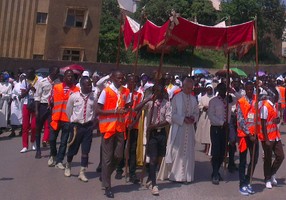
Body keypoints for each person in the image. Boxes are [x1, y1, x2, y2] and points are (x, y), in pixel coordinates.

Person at [97, 70, 131, 198]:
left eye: (122, 78)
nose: (121, 80)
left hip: (120, 128)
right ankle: (107, 186)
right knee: (107, 158)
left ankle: (105, 175)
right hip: (107, 129)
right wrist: (114, 111)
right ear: (112, 78)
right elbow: (98, 110)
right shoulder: (106, 91)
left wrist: (127, 109)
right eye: (118, 78)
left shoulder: (126, 91)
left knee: (118, 156)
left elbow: (127, 106)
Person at [159, 77, 199, 183]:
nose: (189, 90)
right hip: (178, 128)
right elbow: (172, 114)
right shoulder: (176, 98)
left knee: (188, 152)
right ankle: (175, 175)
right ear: (183, 87)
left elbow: (196, 112)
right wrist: (182, 119)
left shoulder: (193, 99)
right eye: (187, 88)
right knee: (176, 152)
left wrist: (193, 118)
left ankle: (186, 176)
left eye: (191, 88)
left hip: (189, 129)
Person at [135, 82, 171, 195]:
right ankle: (154, 185)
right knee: (153, 158)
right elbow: (137, 108)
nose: (157, 93)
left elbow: (168, 120)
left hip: (161, 134)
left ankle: (150, 179)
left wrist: (155, 125)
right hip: (152, 135)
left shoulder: (167, 104)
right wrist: (147, 99)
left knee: (158, 158)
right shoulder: (150, 103)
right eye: (155, 91)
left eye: (159, 91)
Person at [64, 76, 96, 182]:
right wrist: (73, 122)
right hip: (76, 127)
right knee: (73, 148)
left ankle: (82, 172)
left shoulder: (93, 97)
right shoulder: (74, 96)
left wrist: (92, 122)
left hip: (88, 127)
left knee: (85, 150)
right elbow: (68, 110)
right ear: (81, 85)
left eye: (90, 84)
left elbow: (95, 110)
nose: (90, 86)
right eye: (87, 84)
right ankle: (68, 165)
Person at [48, 69, 80, 169]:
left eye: (72, 76)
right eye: (68, 76)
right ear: (64, 77)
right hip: (56, 118)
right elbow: (51, 101)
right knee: (52, 139)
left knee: (63, 142)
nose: (70, 78)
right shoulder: (56, 87)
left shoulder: (76, 90)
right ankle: (53, 155)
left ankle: (59, 161)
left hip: (67, 119)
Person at [115, 75, 143, 183]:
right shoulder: (123, 93)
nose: (133, 84)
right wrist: (127, 106)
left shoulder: (139, 95)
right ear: (128, 82)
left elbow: (140, 110)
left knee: (132, 149)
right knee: (121, 148)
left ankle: (132, 173)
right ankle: (119, 169)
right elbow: (119, 107)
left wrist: (135, 122)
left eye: (135, 82)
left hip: (133, 125)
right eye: (131, 82)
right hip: (122, 124)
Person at [208, 82, 237, 185]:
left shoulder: (229, 100)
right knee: (216, 152)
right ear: (218, 90)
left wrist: (232, 91)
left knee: (223, 152)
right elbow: (211, 115)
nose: (223, 91)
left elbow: (238, 98)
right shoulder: (213, 101)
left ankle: (216, 170)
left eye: (225, 89)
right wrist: (221, 122)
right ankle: (215, 173)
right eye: (222, 89)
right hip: (216, 128)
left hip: (226, 129)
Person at [259, 87, 284, 189]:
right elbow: (263, 123)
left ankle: (272, 173)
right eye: (277, 94)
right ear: (273, 95)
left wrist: (277, 120)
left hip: (276, 135)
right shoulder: (265, 106)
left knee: (280, 156)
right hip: (267, 137)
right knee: (268, 158)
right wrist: (266, 139)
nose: (279, 96)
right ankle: (267, 178)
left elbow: (273, 120)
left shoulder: (274, 106)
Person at [236, 81, 259, 195]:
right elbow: (240, 120)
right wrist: (249, 134)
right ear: (245, 89)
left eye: (252, 89)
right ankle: (242, 183)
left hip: (255, 135)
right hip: (244, 136)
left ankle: (247, 179)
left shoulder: (257, 100)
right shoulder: (241, 101)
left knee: (254, 158)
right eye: (248, 89)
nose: (250, 91)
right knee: (243, 160)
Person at [34, 66, 59, 159]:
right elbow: (37, 96)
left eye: (57, 72)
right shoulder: (42, 82)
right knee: (38, 128)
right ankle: (38, 150)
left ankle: (53, 151)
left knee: (53, 128)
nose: (56, 74)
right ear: (50, 71)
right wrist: (36, 110)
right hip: (43, 106)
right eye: (55, 72)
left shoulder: (57, 83)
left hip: (52, 108)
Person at [19, 68, 41, 153]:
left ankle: (33, 141)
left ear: (34, 74)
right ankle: (25, 146)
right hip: (26, 104)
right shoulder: (24, 81)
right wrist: (28, 89)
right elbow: (22, 95)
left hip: (35, 104)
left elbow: (39, 93)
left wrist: (34, 89)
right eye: (27, 74)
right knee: (25, 126)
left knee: (34, 126)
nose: (28, 75)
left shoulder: (38, 81)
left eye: (30, 74)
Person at [195, 84, 214, 155]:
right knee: (204, 133)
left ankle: (208, 148)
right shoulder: (202, 98)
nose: (209, 91)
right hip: (204, 117)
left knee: (208, 134)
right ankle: (205, 147)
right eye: (208, 89)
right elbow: (199, 105)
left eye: (210, 89)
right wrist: (203, 107)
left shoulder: (214, 98)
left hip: (211, 118)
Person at [9, 73, 25, 137]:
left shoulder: (26, 85)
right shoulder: (16, 85)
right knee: (13, 116)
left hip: (22, 102)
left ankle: (22, 130)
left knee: (22, 116)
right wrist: (14, 96)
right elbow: (12, 93)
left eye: (24, 77)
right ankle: (13, 131)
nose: (22, 78)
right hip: (15, 103)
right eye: (21, 77)